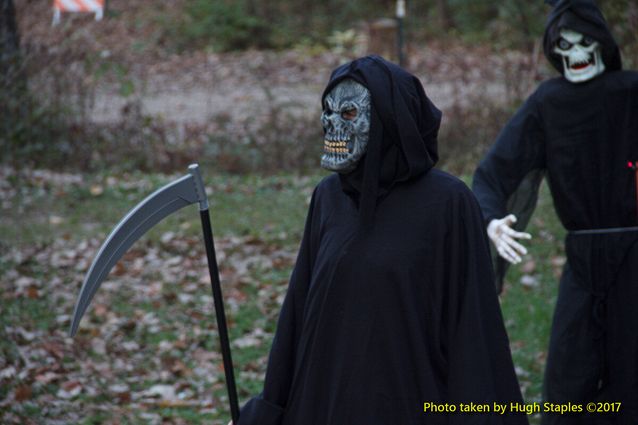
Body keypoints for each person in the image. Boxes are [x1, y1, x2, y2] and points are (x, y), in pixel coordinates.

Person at [233, 55, 528, 425]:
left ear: (390, 120)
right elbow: (297, 315)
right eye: (327, 112)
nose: (332, 126)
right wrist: (266, 411)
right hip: (326, 404)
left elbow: (472, 327)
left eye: (350, 115)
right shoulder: (329, 197)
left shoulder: (447, 203)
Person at [472, 1, 638, 424]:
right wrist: (491, 219)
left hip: (635, 257)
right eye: (565, 44)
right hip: (582, 259)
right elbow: (495, 172)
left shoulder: (632, 92)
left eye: (585, 42)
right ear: (554, 50)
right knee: (568, 374)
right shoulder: (549, 102)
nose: (577, 53)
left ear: (602, 44)